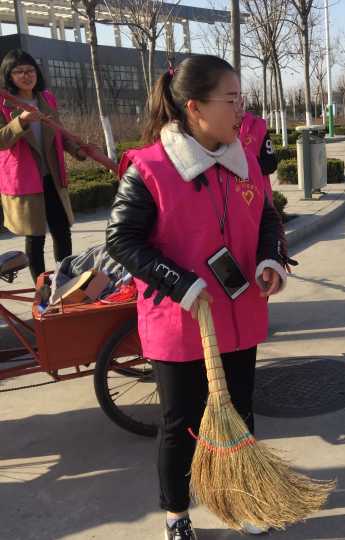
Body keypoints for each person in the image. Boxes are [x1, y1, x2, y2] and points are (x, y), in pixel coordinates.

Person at [106, 55, 288, 539]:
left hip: (239, 312)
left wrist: (269, 260)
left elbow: (268, 217)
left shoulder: (244, 159)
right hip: (182, 319)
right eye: (231, 100)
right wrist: (180, 283)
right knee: (181, 422)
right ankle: (176, 514)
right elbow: (121, 240)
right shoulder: (148, 168)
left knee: (240, 411)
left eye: (242, 99)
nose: (241, 110)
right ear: (194, 107)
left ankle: (241, 497)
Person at [0, 49, 86, 281]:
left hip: (52, 177)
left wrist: (77, 150)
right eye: (19, 71)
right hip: (25, 179)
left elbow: (59, 133)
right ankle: (41, 287)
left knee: (62, 231)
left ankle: (64, 279)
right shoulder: (4, 104)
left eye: (30, 70)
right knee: (35, 236)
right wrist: (21, 121)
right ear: (9, 75)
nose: (26, 75)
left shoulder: (46, 98)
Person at [239, 104, 277, 200]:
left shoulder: (258, 127)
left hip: (259, 196)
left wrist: (246, 164)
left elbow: (271, 164)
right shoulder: (215, 130)